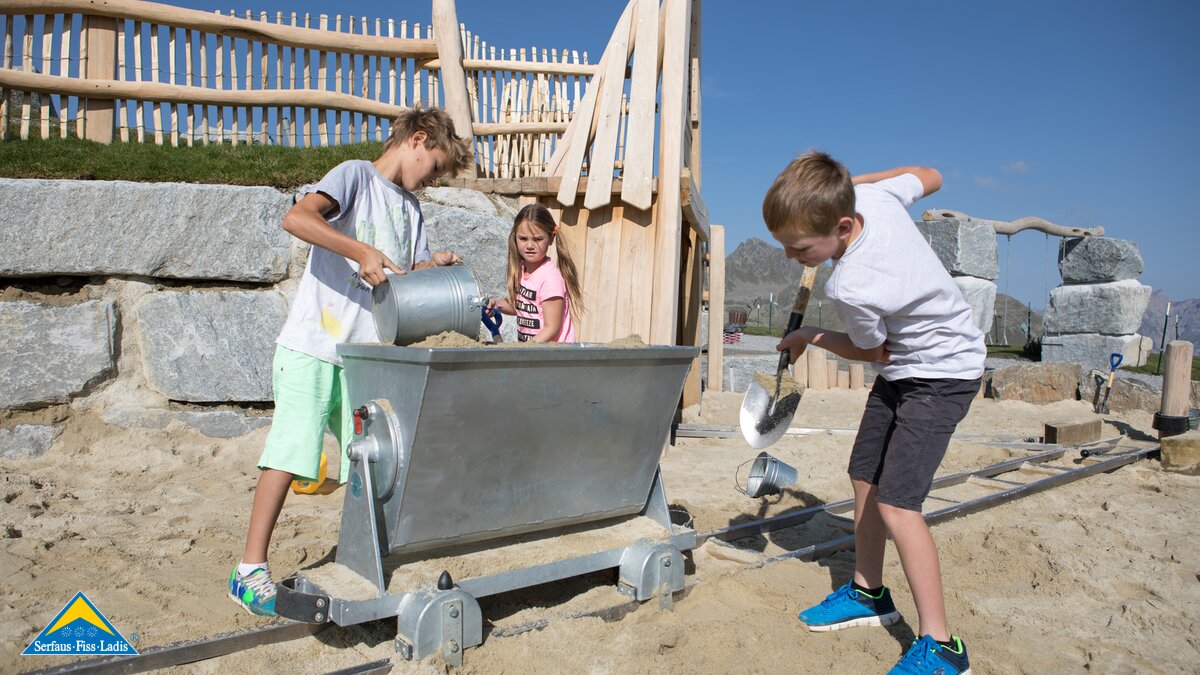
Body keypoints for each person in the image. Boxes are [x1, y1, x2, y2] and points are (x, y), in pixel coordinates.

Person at [228, 105, 473, 617]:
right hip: (313, 344)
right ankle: (249, 570)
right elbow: (297, 217)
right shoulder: (355, 176)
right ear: (418, 139)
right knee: (292, 450)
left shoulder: (411, 209)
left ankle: (366, 559)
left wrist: (432, 266)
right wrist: (359, 249)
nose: (430, 183)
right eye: (434, 167)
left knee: (369, 462)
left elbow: (401, 273)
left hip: (364, 355)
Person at [761, 151, 984, 675]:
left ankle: (943, 646)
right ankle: (869, 592)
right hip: (905, 369)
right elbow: (934, 174)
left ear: (840, 224)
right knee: (865, 477)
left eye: (800, 249)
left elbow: (873, 351)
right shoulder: (874, 198)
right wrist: (852, 183)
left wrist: (808, 335)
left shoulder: (852, 284)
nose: (795, 259)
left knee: (900, 506)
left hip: (941, 375)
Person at [487, 203, 583, 342]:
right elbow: (520, 308)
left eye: (537, 239)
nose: (530, 246)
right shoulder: (521, 269)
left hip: (554, 356)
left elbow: (551, 328)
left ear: (551, 238)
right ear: (515, 237)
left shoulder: (549, 279)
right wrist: (496, 305)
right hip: (534, 352)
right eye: (523, 239)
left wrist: (525, 351)